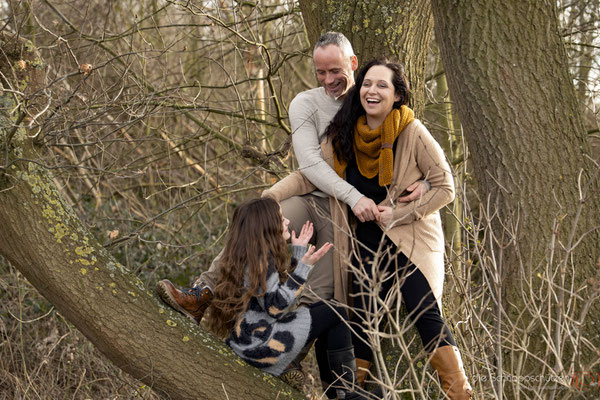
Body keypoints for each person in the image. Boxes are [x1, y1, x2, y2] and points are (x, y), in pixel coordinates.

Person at [156, 32, 428, 393]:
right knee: (256, 220)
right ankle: (202, 293)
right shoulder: (306, 104)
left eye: (336, 70)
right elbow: (311, 165)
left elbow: (411, 153)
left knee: (328, 290)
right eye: (320, 72)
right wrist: (340, 196)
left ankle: (291, 356)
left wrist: (424, 182)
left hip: (347, 216)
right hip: (314, 195)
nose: (329, 80)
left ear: (353, 64)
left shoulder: (373, 99)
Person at [262, 59, 473, 399]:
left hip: (409, 242)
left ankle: (461, 393)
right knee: (360, 323)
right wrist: (271, 197)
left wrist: (400, 213)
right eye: (367, 84)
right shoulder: (342, 133)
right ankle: (352, 393)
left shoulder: (412, 131)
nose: (372, 91)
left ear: (397, 94)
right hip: (362, 245)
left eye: (382, 85)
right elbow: (307, 175)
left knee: (426, 315)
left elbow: (445, 187)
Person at [158, 197, 373, 400]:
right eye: (281, 219)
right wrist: (304, 268)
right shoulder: (262, 262)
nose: (288, 221)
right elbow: (275, 307)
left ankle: (342, 392)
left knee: (327, 314)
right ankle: (345, 394)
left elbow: (272, 299)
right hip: (262, 348)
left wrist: (299, 255)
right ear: (268, 227)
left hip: (249, 343)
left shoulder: (252, 256)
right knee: (334, 312)